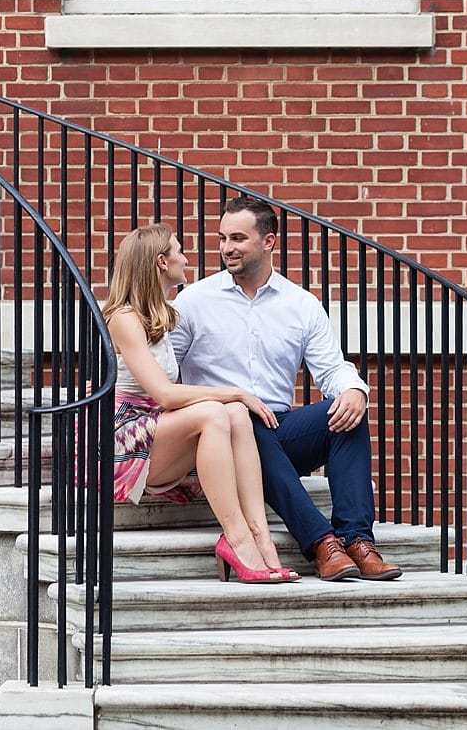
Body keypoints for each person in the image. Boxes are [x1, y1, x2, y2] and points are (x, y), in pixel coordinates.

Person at [171, 195, 402, 582]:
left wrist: (354, 391)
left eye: (238, 238)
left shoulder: (301, 304)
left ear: (269, 241)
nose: (227, 248)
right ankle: (321, 543)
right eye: (223, 238)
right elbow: (163, 372)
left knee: (346, 414)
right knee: (242, 416)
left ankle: (357, 540)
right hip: (221, 437)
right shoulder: (193, 302)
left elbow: (332, 368)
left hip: (278, 431)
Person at [103, 223, 299, 584]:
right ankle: (236, 538)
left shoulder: (165, 312)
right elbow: (164, 394)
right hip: (126, 441)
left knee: (237, 414)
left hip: (159, 428)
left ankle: (261, 537)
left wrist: (236, 400)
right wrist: (236, 391)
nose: (186, 258)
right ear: (162, 262)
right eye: (179, 251)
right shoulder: (124, 318)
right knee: (218, 409)